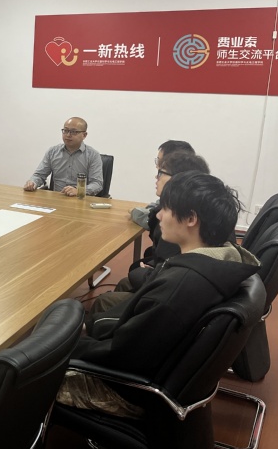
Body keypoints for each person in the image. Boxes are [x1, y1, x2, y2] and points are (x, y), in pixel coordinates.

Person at [57, 171, 259, 418]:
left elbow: (121, 355)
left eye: (166, 209)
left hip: (127, 389)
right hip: (152, 370)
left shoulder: (178, 289)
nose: (159, 215)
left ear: (191, 219)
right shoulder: (222, 260)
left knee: (26, 369)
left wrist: (63, 345)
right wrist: (89, 330)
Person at [89, 151, 211, 318]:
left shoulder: (178, 230)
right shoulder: (199, 217)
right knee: (125, 283)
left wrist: (149, 272)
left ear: (177, 179)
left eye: (161, 172)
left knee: (105, 301)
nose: (156, 177)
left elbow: (163, 283)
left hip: (162, 305)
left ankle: (98, 324)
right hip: (165, 291)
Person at [23, 117, 103, 196]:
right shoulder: (53, 152)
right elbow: (39, 175)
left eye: (73, 132)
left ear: (84, 135)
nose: (68, 135)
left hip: (80, 199)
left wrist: (79, 190)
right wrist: (32, 182)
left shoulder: (93, 155)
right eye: (65, 130)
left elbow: (97, 184)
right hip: (56, 198)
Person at [129, 139, 196, 228]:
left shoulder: (182, 201)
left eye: (160, 161)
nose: (157, 166)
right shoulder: (189, 187)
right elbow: (157, 205)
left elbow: (151, 220)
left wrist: (134, 212)